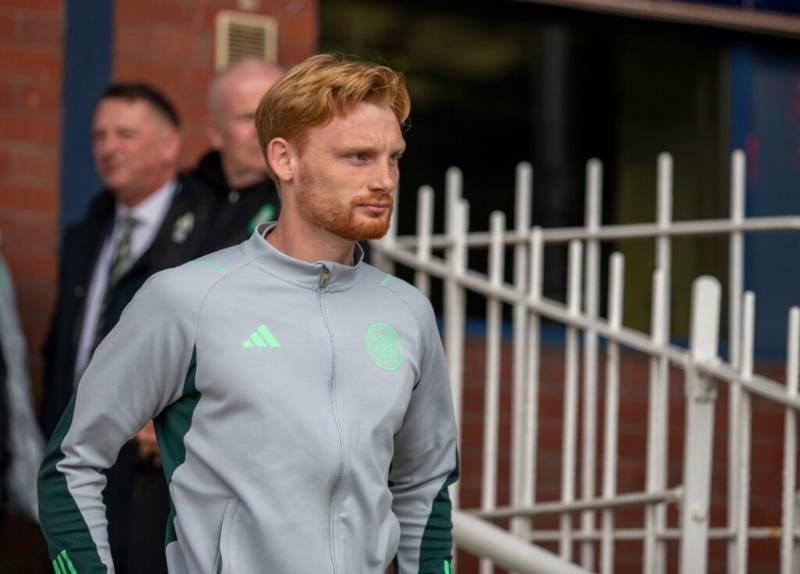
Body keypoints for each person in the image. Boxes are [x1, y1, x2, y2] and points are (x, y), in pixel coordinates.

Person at [38, 54, 458, 573]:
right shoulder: (187, 299)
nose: (384, 179)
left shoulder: (408, 312)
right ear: (284, 159)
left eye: (393, 158)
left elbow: (425, 486)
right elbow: (70, 462)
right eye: (358, 157)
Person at [38, 83, 218, 573]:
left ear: (169, 145)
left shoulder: (209, 233)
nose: (108, 147)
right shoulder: (87, 230)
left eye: (125, 134)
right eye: (99, 135)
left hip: (156, 481)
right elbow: (61, 352)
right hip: (79, 466)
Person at [187, 58, 283, 252]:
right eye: (248, 117)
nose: (263, 130)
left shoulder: (303, 205)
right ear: (215, 131)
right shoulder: (178, 196)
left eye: (274, 116)